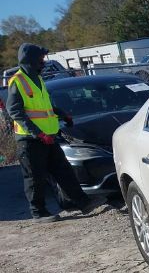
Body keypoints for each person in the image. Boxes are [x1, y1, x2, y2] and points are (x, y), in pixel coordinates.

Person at [5, 43, 103, 222]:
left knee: (63, 171)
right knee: (35, 178)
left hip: (49, 136)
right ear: (31, 61)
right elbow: (15, 111)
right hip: (30, 140)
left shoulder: (38, 79)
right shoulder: (17, 81)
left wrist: (62, 114)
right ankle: (38, 213)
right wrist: (37, 133)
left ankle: (82, 202)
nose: (43, 63)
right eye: (41, 60)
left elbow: (45, 107)